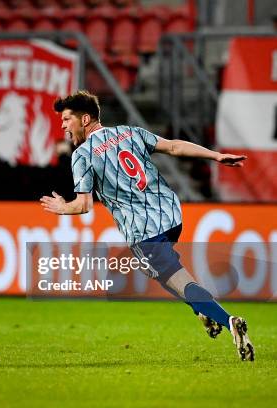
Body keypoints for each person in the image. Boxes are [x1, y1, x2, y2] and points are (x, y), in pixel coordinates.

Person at [40, 90, 254, 362]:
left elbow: (83, 205)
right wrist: (216, 156)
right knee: (163, 273)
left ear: (85, 120)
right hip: (171, 216)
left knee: (178, 281)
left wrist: (62, 208)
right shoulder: (130, 132)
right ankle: (201, 311)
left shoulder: (83, 154)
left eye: (67, 119)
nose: (63, 126)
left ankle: (228, 320)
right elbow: (174, 147)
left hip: (143, 231)